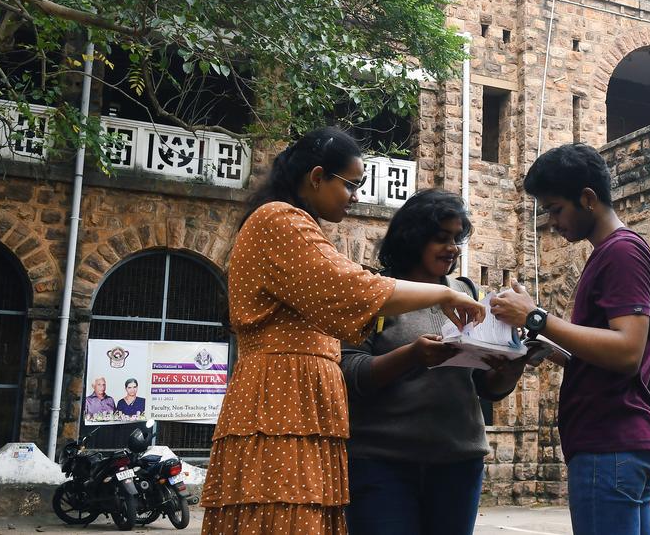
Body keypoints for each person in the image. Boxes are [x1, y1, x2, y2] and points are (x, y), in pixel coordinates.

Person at [199, 127, 485, 535]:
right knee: (282, 519)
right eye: (351, 185)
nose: (356, 197)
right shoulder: (278, 220)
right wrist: (442, 296)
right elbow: (353, 289)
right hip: (282, 400)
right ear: (317, 177)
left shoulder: (296, 225)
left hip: (301, 404)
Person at [490, 143, 650, 535]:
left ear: (587, 199)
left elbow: (626, 352)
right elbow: (604, 353)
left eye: (556, 209)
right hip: (617, 441)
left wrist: (536, 316)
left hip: (610, 441)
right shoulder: (607, 253)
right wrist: (548, 347)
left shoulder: (622, 252)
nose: (552, 222)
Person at [341, 189, 532, 535]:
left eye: (456, 239)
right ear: (413, 238)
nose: (453, 248)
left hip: (458, 464)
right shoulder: (375, 291)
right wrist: (412, 355)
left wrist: (510, 369)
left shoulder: (467, 294)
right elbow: (349, 372)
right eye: (441, 238)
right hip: (382, 463)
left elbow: (485, 388)